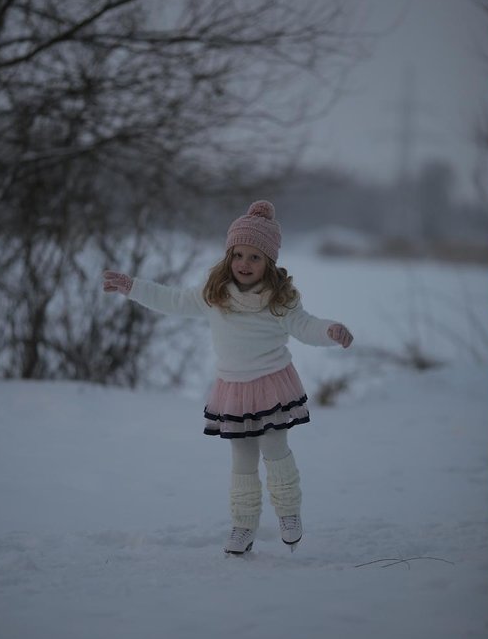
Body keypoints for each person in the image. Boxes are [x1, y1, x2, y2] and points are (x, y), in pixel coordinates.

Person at [103, 200, 353, 555]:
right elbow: (173, 299)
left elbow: (305, 325)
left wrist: (330, 330)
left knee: (274, 448)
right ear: (228, 256)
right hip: (233, 387)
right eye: (238, 255)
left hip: (271, 383)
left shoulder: (280, 298)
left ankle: (288, 512)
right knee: (242, 458)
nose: (244, 264)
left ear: (269, 261)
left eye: (255, 257)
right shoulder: (214, 293)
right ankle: (243, 523)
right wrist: (134, 287)